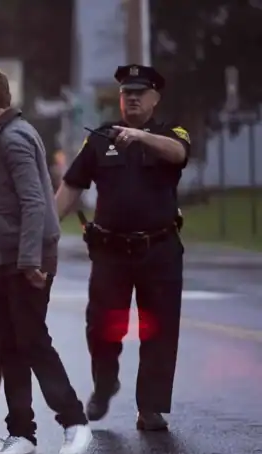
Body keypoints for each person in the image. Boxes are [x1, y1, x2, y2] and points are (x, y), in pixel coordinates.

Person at [55, 64, 189, 431]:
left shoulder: (169, 134)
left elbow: (178, 153)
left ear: (155, 98)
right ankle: (104, 381)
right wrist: (46, 231)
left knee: (158, 329)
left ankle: (150, 407)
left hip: (159, 249)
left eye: (140, 92)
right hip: (111, 252)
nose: (131, 97)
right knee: (102, 326)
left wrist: (140, 137)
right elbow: (71, 186)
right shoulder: (99, 138)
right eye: (126, 92)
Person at [0, 66, 92, 454]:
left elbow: (35, 202)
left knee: (34, 343)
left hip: (26, 261)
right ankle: (21, 432)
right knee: (12, 348)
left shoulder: (14, 139)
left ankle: (74, 421)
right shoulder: (7, 134)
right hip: (8, 261)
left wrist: (28, 261)